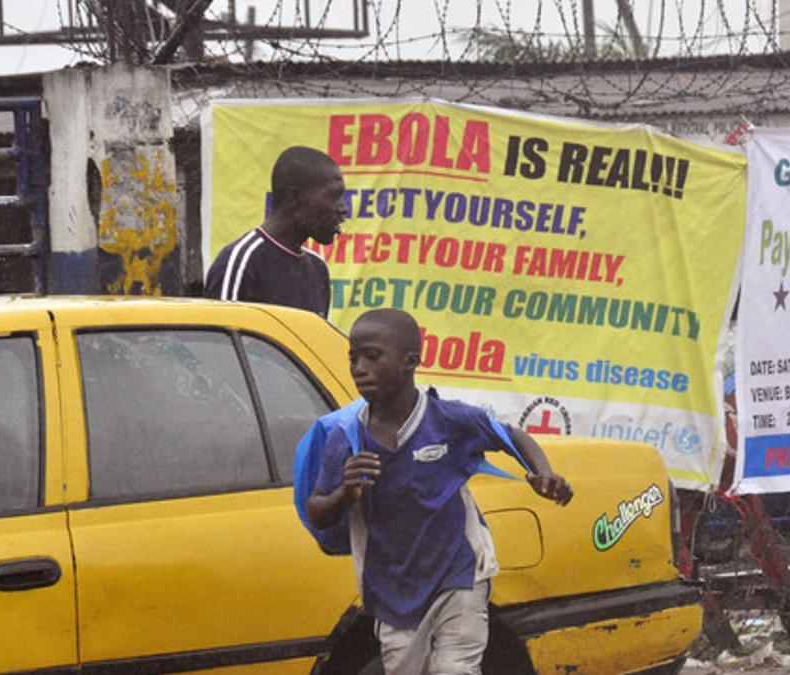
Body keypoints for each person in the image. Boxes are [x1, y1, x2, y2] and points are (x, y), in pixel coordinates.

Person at [306, 308, 573, 675]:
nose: (358, 368)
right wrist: (345, 492)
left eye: (372, 356)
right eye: (353, 358)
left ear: (410, 362)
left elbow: (512, 434)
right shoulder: (347, 438)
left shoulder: (448, 421)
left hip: (459, 576)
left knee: (456, 669)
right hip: (394, 592)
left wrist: (543, 473)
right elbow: (317, 511)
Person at [205, 146, 347, 317]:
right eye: (333, 196)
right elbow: (221, 340)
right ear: (295, 197)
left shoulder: (317, 268)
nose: (343, 208)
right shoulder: (241, 262)